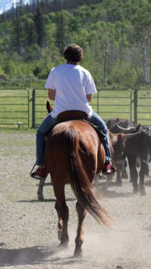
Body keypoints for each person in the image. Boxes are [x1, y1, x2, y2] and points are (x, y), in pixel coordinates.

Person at [31, 44, 115, 180]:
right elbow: (89, 98)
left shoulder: (55, 71)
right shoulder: (85, 72)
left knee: (40, 133)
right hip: (83, 112)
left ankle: (41, 166)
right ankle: (107, 162)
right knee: (104, 129)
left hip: (59, 113)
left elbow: (51, 96)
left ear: (65, 56)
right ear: (80, 57)